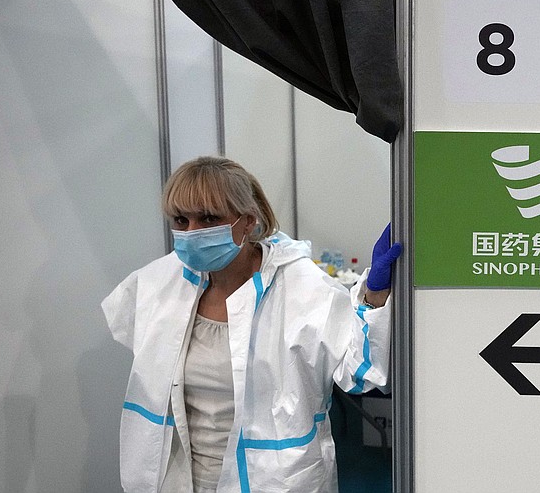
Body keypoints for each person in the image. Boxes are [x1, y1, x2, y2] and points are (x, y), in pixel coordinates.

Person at [101, 156, 401, 493]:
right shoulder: (161, 284)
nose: (191, 233)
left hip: (271, 483)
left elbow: (361, 373)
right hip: (177, 481)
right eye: (181, 220)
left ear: (248, 221)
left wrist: (374, 295)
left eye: (209, 219)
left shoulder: (302, 288)